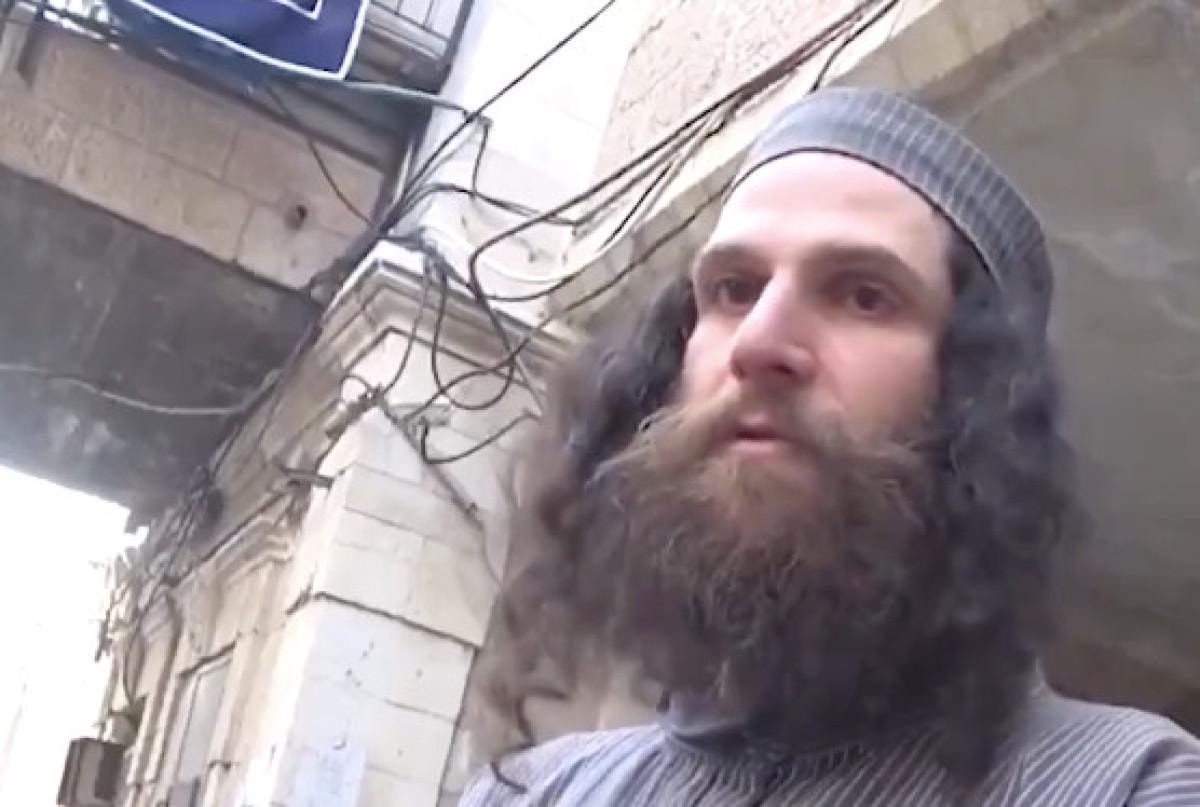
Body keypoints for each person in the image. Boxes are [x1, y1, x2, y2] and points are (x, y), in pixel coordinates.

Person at [459, 87, 1200, 805]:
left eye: (863, 295)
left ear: (976, 392)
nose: (758, 342)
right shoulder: (532, 794)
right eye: (733, 289)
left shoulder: (1133, 786)